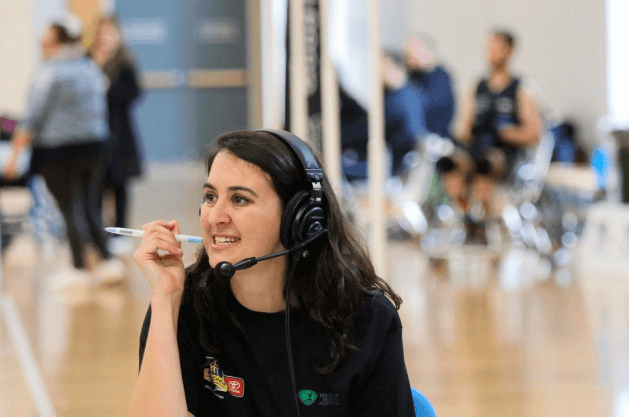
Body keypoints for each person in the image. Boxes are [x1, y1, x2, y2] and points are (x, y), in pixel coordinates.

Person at [128, 130, 414, 416]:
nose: (215, 217)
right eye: (210, 196)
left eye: (239, 199)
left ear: (300, 218)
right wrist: (166, 297)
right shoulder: (182, 303)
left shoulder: (366, 317)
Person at [3, 15, 123, 283]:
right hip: (94, 148)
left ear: (57, 42)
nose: (42, 47)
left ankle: (79, 267)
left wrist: (14, 157)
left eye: (45, 41)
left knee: (69, 209)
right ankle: (107, 261)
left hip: (58, 152)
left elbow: (33, 118)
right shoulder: (90, 68)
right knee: (91, 206)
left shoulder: (49, 73)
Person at [438, 29, 543, 240]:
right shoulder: (476, 87)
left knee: (484, 165)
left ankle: (486, 225)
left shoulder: (522, 89)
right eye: (489, 48)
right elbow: (463, 129)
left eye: (497, 48)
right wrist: (469, 127)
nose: (491, 52)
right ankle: (466, 220)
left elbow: (534, 133)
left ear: (509, 51)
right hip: (477, 146)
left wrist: (507, 133)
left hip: (504, 152)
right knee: (450, 164)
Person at [88, 14, 144, 230]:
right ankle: (97, 232)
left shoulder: (124, 62)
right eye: (101, 32)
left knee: (119, 184)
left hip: (119, 132)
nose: (105, 37)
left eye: (109, 32)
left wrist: (108, 88)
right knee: (95, 185)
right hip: (93, 132)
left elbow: (134, 93)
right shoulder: (88, 59)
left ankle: (120, 231)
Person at [341, 51, 426, 181]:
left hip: (387, 164)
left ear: (394, 69)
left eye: (381, 67)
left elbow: (370, 126)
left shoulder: (402, 101)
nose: (375, 72)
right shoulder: (401, 94)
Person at [404, 34, 455, 140]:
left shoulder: (440, 78)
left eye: (414, 52)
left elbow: (431, 107)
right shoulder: (411, 77)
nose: (409, 58)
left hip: (437, 138)